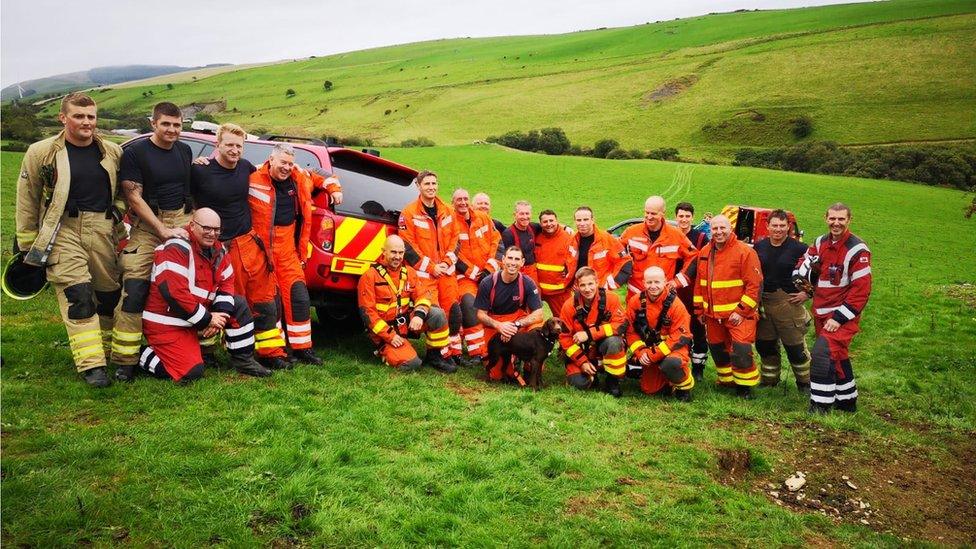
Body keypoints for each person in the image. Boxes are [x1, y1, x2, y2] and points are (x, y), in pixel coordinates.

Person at [15, 93, 124, 387]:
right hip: (62, 229)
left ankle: (109, 350)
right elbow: (27, 199)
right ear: (63, 118)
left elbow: (124, 192)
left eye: (91, 116)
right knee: (78, 295)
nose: (86, 122)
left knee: (108, 294)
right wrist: (26, 246)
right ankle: (93, 366)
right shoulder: (41, 152)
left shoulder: (112, 151)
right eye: (79, 116)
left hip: (102, 229)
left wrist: (118, 218)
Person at [190, 123, 290, 371]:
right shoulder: (200, 171)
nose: (234, 150)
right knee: (221, 299)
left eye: (239, 146)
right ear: (218, 145)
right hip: (217, 247)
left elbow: (277, 171)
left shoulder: (246, 168)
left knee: (264, 299)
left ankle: (270, 351)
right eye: (229, 145)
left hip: (247, 243)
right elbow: (186, 203)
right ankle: (210, 351)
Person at [139, 208, 271, 382]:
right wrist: (208, 320)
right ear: (192, 226)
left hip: (193, 317)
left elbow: (226, 284)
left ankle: (244, 361)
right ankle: (140, 355)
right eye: (206, 228)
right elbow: (174, 294)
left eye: (216, 230)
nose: (212, 234)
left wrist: (220, 316)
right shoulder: (176, 247)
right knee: (189, 373)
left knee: (238, 304)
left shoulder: (219, 250)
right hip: (167, 322)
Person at [112, 102, 194, 381]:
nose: (172, 130)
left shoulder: (185, 150)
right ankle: (125, 359)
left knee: (191, 284)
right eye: (166, 124)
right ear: (153, 124)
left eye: (177, 125)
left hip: (182, 221)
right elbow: (133, 198)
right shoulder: (135, 153)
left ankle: (198, 350)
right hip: (149, 226)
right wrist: (160, 229)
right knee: (135, 286)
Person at [248, 144, 329, 366]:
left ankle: (302, 349)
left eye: (290, 163)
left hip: (288, 249)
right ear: (271, 160)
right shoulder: (252, 177)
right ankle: (272, 352)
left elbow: (324, 177)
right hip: (260, 250)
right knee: (269, 303)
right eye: (282, 162)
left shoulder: (299, 176)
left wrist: (336, 189)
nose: (286, 167)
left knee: (299, 297)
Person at [794, 203, 871, 413]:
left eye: (841, 219)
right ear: (826, 219)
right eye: (832, 219)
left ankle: (820, 405)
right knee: (838, 355)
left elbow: (861, 291)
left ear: (849, 220)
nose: (836, 223)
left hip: (841, 316)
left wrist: (838, 318)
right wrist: (802, 274)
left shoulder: (857, 249)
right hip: (821, 312)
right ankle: (847, 402)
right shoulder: (820, 242)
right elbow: (805, 264)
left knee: (822, 354)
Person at [679, 214, 762, 398]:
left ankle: (744, 386)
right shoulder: (705, 252)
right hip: (712, 315)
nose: (718, 232)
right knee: (717, 348)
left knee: (741, 350)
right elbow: (700, 284)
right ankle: (726, 381)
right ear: (710, 230)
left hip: (738, 314)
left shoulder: (745, 252)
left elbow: (754, 286)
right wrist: (699, 310)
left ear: (730, 229)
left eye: (722, 228)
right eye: (715, 228)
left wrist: (741, 311)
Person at [358, 235, 456, 372]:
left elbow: (423, 296)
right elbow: (368, 314)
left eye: (400, 253)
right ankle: (383, 352)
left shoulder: (409, 272)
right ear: (384, 251)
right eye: (393, 252)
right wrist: (390, 336)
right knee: (413, 364)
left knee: (437, 314)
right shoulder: (369, 276)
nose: (397, 257)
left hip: (404, 325)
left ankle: (435, 355)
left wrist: (419, 315)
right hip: (384, 332)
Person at [397, 170, 463, 360]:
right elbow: (408, 247)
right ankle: (437, 354)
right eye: (427, 184)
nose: (431, 187)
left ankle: (454, 352)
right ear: (418, 186)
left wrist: (447, 262)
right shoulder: (409, 213)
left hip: (446, 272)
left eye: (434, 183)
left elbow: (456, 239)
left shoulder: (448, 210)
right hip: (425, 275)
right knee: (434, 314)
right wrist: (431, 267)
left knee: (453, 313)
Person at [754, 209, 811, 391]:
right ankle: (769, 381)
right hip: (764, 303)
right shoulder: (759, 247)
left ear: (789, 227)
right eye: (774, 225)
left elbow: (818, 273)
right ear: (767, 226)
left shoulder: (801, 249)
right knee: (765, 345)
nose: (778, 229)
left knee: (795, 348)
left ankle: (806, 383)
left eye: (782, 226)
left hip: (789, 304)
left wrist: (808, 293)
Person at [475, 246, 544, 383]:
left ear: (522, 262)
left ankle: (530, 367)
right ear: (503, 259)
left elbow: (539, 313)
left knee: (538, 326)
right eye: (510, 258)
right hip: (495, 324)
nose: (513, 262)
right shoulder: (488, 282)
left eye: (517, 259)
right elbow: (480, 314)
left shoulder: (527, 283)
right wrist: (499, 326)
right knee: (497, 375)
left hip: (517, 320)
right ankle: (511, 363)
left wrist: (516, 325)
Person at [625, 266, 695, 401]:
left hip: (674, 349)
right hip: (649, 349)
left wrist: (652, 355)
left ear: (665, 282)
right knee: (649, 389)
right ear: (644, 283)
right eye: (649, 282)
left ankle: (684, 386)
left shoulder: (676, 305)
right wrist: (640, 352)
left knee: (671, 364)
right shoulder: (635, 301)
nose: (653, 286)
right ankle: (667, 380)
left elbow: (679, 337)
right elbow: (630, 332)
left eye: (657, 282)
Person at [558, 267, 628, 396]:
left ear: (597, 282)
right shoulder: (569, 306)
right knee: (578, 384)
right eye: (582, 285)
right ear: (577, 287)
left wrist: (590, 334)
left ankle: (612, 380)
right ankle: (591, 375)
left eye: (590, 284)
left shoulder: (611, 299)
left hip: (603, 348)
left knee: (614, 342)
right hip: (582, 351)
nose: (587, 289)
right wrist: (582, 362)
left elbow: (621, 324)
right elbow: (564, 338)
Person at [452, 188, 502, 363]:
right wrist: (474, 273)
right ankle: (476, 351)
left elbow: (497, 243)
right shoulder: (450, 222)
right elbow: (453, 253)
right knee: (468, 303)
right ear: (453, 203)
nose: (463, 202)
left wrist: (489, 269)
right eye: (459, 199)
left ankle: (493, 346)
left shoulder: (483, 219)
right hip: (465, 277)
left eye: (465, 198)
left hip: (489, 274)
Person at [620, 196, 697, 301]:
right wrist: (622, 275)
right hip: (636, 296)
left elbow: (694, 257)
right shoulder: (631, 232)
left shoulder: (675, 235)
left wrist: (677, 282)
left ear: (662, 214)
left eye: (653, 213)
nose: (649, 217)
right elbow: (616, 252)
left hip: (663, 297)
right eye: (647, 213)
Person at [674, 201, 710, 381]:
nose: (684, 219)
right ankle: (682, 362)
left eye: (687, 216)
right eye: (681, 216)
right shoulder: (671, 235)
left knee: (697, 327)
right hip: (673, 290)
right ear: (675, 217)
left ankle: (699, 367)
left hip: (694, 289)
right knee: (678, 326)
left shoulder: (701, 237)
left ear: (692, 218)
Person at [572, 206, 632, 290]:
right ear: (575, 221)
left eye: (585, 219)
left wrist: (607, 285)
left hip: (600, 291)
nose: (582, 223)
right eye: (579, 220)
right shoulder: (572, 240)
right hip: (579, 290)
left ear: (592, 220)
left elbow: (624, 262)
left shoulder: (606, 239)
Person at [534, 209, 577, 316]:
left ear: (557, 221)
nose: (549, 224)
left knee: (566, 320)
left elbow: (576, 260)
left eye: (551, 220)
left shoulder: (568, 237)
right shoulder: (535, 235)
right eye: (545, 222)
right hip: (537, 289)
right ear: (540, 224)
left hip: (559, 291)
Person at [501, 201, 541, 282]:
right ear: (515, 215)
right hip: (516, 272)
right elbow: (507, 260)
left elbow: (549, 226)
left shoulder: (533, 227)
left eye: (527, 213)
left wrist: (565, 227)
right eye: (521, 214)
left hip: (532, 272)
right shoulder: (508, 234)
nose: (525, 217)